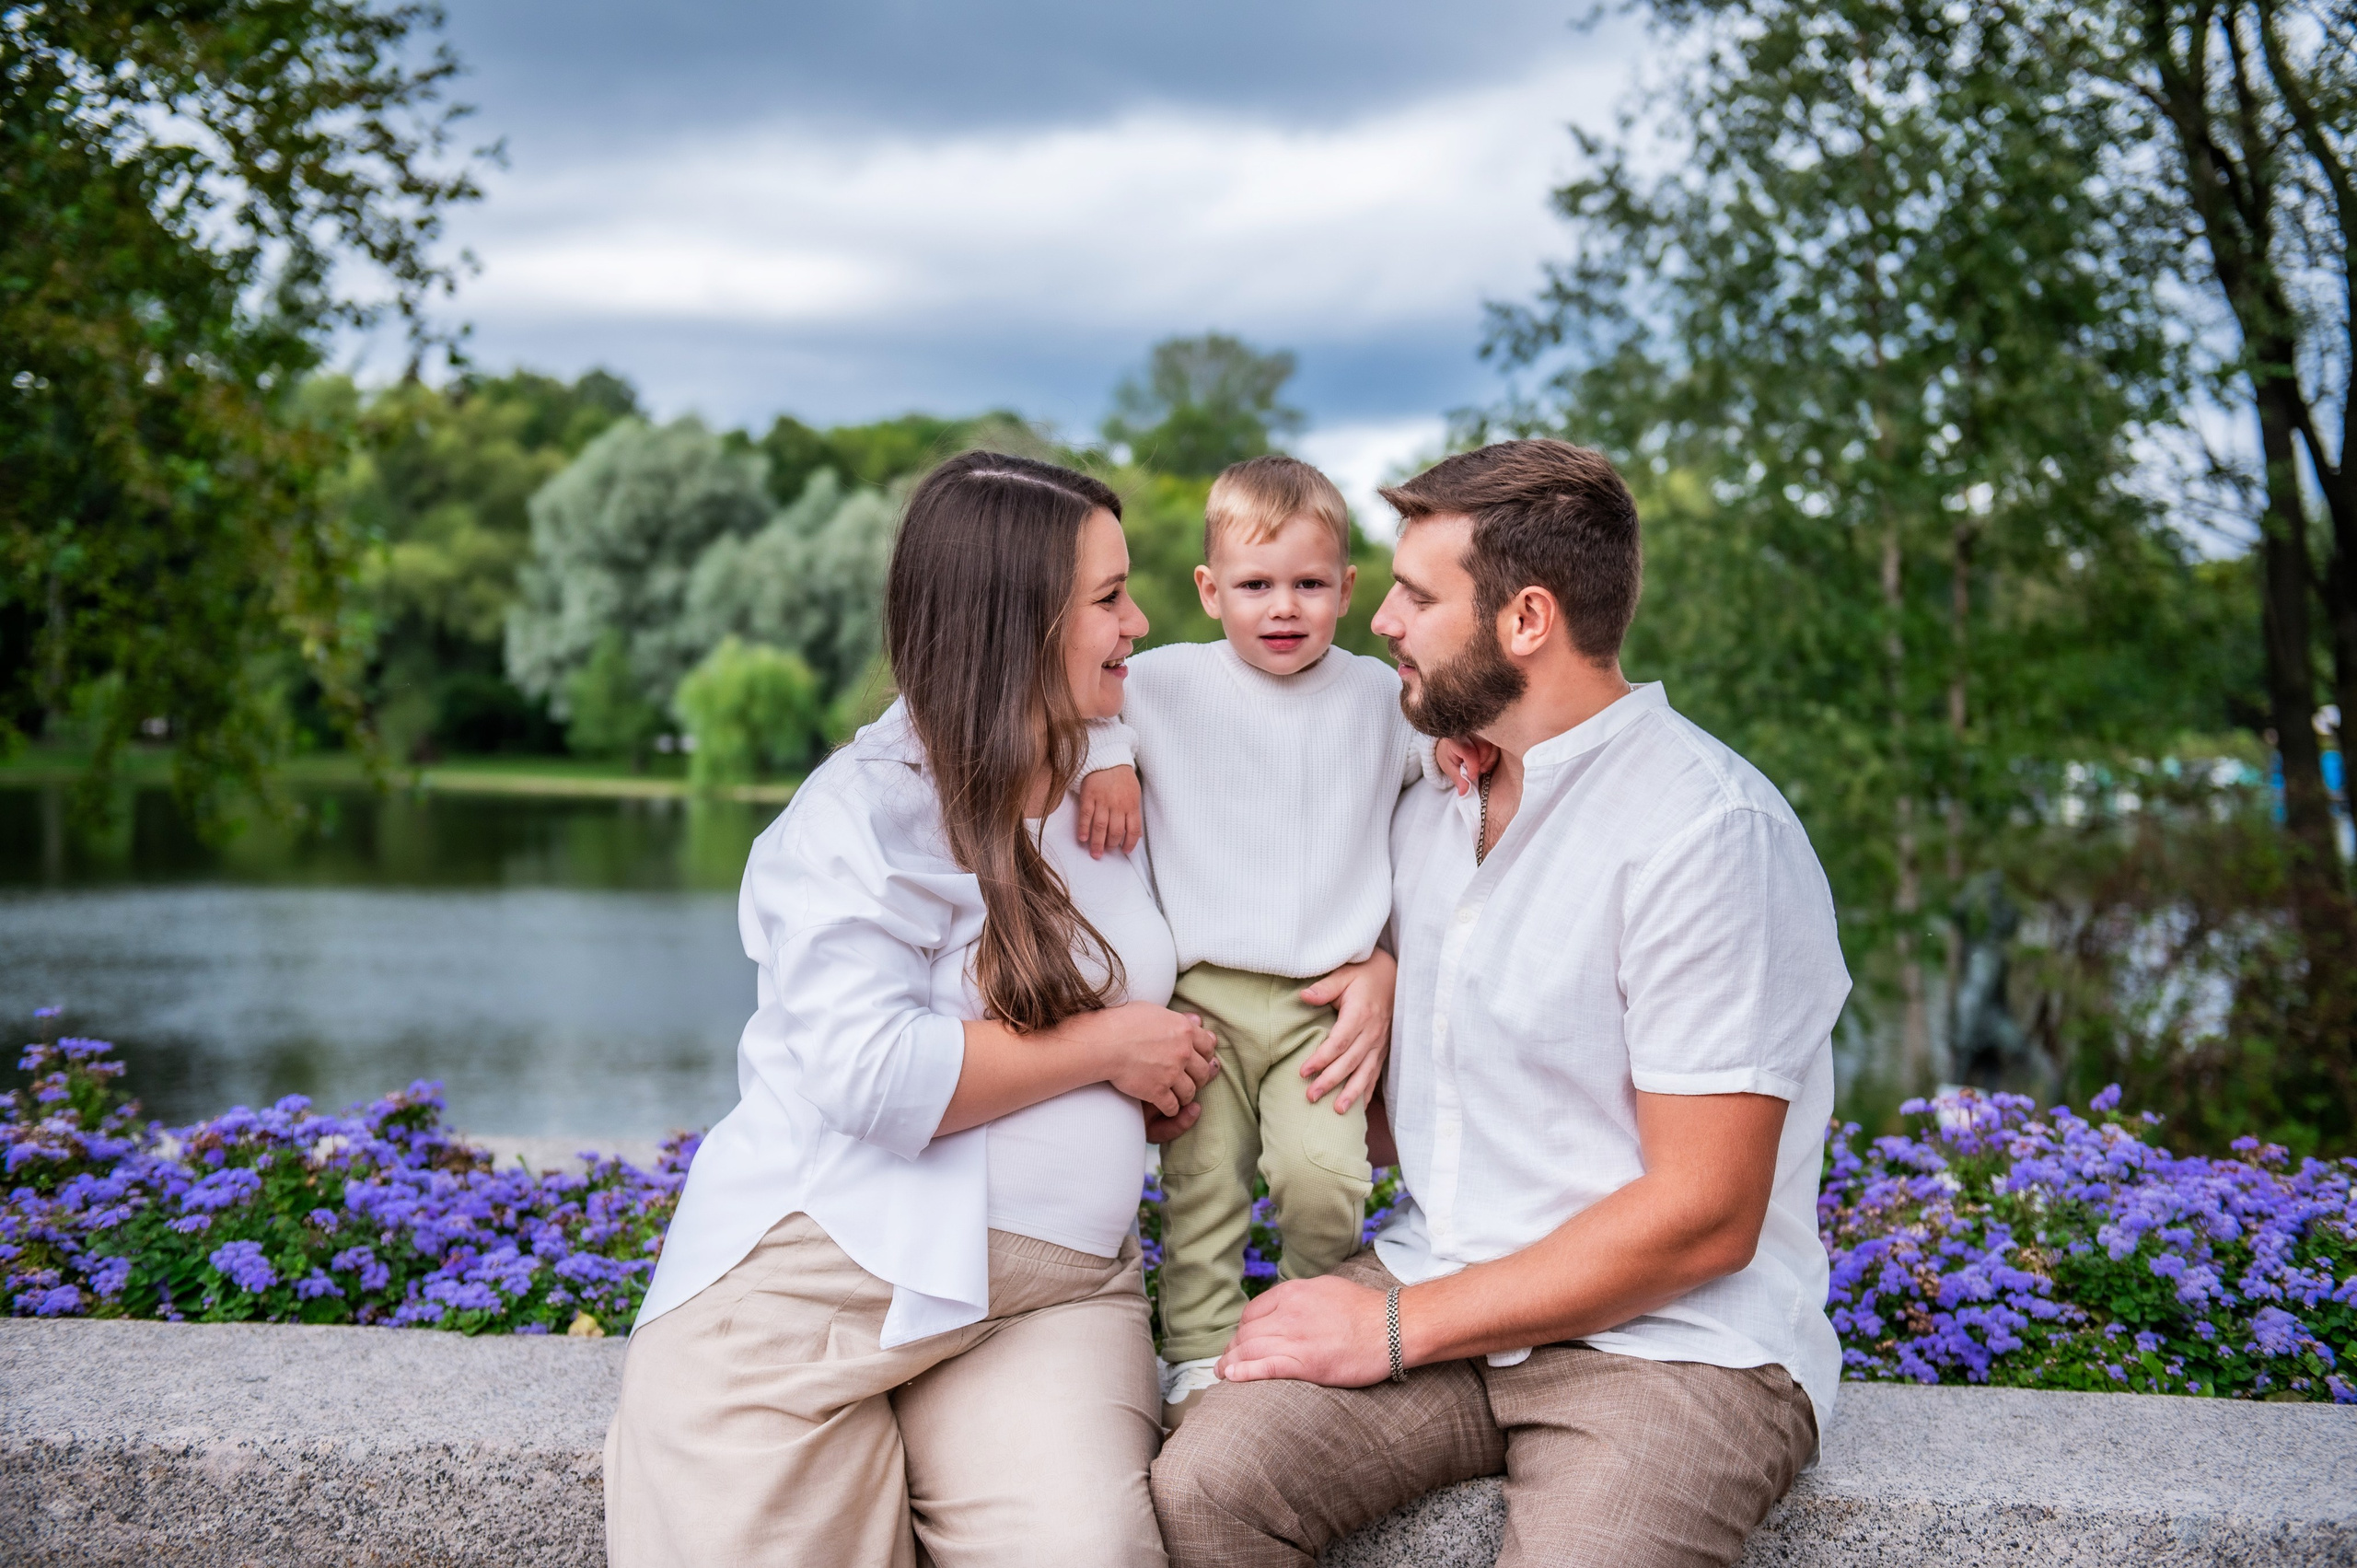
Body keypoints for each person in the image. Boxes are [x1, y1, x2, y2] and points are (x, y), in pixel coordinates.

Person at [1152, 439, 1852, 1568]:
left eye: (1418, 596)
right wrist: (1372, 977)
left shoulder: (1707, 832)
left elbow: (1708, 1212)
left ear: (1525, 621)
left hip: (1668, 1342)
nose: (1379, 620)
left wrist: (1387, 1324)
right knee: (1202, 1491)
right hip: (1445, 1277)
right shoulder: (1437, 796)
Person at [604, 451, 1225, 1568]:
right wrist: (1106, 1048)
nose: (1139, 620)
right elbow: (871, 1072)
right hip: (817, 1291)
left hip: (1052, 1298)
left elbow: (1329, 794)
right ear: (1016, 622)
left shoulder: (1108, 764)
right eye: (1107, 597)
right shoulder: (866, 812)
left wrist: (1367, 970)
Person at [1072, 454, 1452, 1428]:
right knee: (1202, 1182)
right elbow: (1090, 710)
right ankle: (1197, 1349)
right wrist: (1111, 763)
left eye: (1308, 584)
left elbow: (1446, 754)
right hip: (1199, 993)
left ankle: (1305, 1323)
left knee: (1323, 1176)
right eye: (1254, 585)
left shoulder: (1375, 696)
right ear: (1209, 589)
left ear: (1345, 588)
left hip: (1321, 997)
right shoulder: (1162, 685)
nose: (1282, 607)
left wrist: (1462, 742)